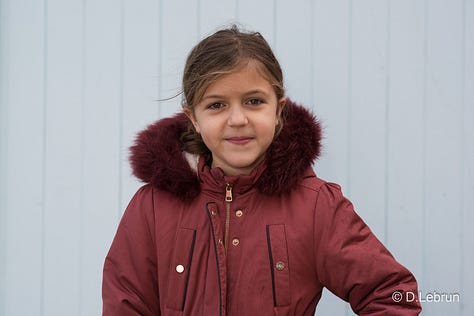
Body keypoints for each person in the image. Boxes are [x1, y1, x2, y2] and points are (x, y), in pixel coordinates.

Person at [102, 25, 422, 315]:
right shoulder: (153, 208)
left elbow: (393, 294)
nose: (238, 119)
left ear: (278, 109)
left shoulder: (315, 207)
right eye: (216, 105)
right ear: (194, 118)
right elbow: (125, 305)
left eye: (254, 101)